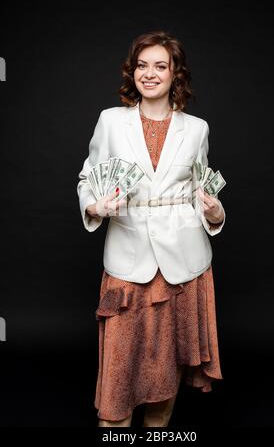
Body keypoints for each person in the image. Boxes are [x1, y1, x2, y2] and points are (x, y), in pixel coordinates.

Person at [77, 30, 226, 428]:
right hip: (129, 261)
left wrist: (215, 213)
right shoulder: (110, 121)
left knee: (165, 379)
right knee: (117, 390)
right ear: (133, 72)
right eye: (142, 65)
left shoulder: (197, 129)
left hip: (184, 265)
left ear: (175, 74)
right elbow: (87, 179)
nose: (150, 74)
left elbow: (203, 192)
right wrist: (94, 205)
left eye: (160, 66)